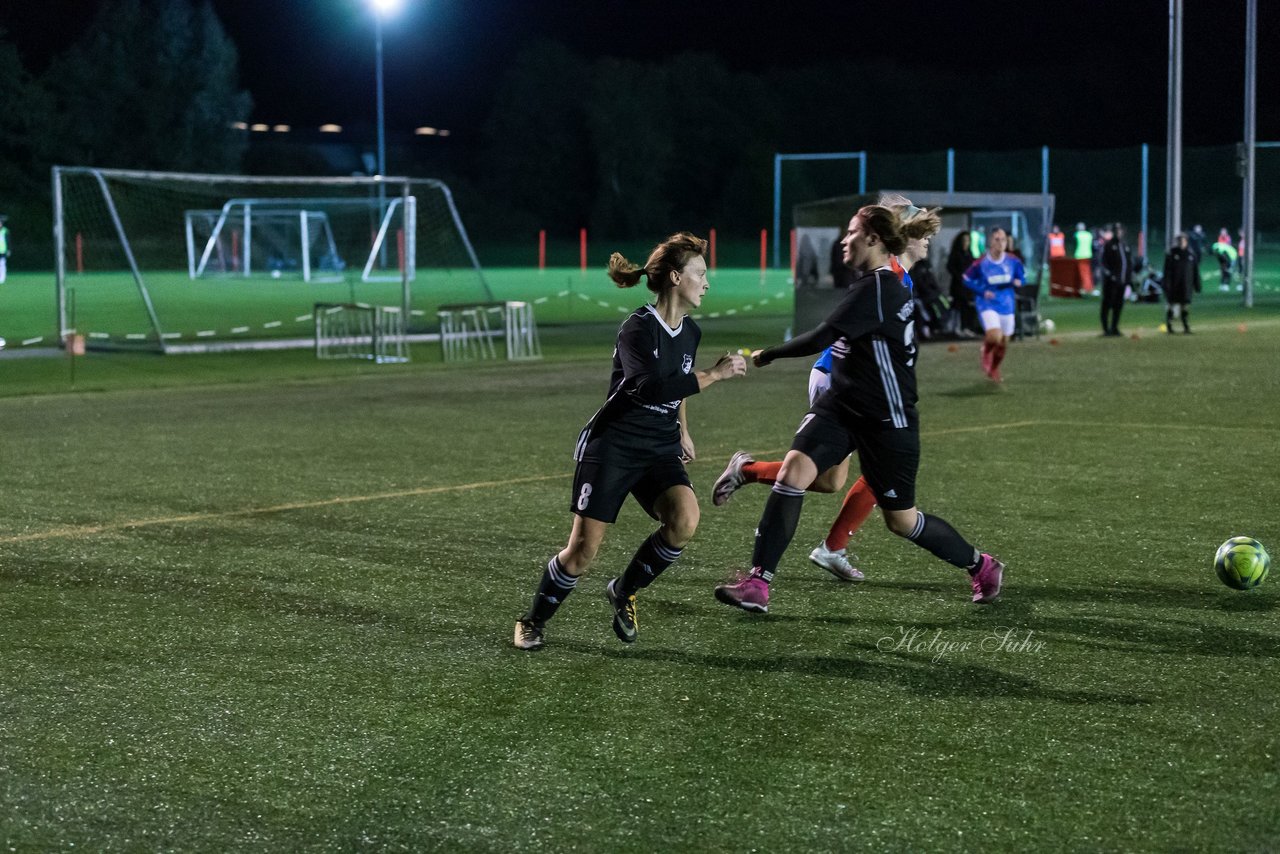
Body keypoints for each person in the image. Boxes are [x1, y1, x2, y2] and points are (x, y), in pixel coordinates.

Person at [712, 205, 1004, 615]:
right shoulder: (875, 284)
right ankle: (758, 584)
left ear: (874, 240)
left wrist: (769, 355)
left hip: (888, 419)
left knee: (901, 521)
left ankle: (982, 565)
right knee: (795, 472)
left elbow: (825, 335)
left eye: (852, 232)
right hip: (843, 407)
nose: (844, 240)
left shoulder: (881, 288)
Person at [512, 232, 747, 650]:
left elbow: (676, 387)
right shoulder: (637, 329)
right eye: (701, 273)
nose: (707, 283)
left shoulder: (690, 333)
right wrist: (714, 375)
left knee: (684, 520)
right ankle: (533, 620)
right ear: (676, 277)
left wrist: (682, 429)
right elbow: (647, 388)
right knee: (582, 551)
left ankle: (623, 590)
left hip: (658, 445)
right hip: (614, 445)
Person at [962, 226, 1024, 382]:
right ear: (991, 241)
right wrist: (982, 292)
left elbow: (1022, 278)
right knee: (995, 336)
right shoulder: (981, 262)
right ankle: (986, 351)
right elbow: (966, 279)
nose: (1001, 243)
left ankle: (994, 369)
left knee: (1003, 342)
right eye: (997, 239)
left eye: (1003, 239)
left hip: (1007, 303)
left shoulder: (1013, 261)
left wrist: (1019, 281)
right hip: (987, 303)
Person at [1162, 232, 1200, 334]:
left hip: (1186, 285)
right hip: (1174, 285)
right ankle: (1169, 326)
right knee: (1171, 304)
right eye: (1179, 241)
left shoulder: (1191, 255)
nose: (1181, 243)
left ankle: (1186, 326)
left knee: (1185, 305)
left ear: (1186, 242)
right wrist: (1166, 284)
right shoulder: (1171, 254)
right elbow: (1166, 271)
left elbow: (1195, 271)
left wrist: (1197, 285)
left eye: (1183, 241)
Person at [1100, 222, 1133, 336]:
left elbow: (1129, 264)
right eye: (1116, 230)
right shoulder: (1109, 245)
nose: (1118, 232)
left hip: (1122, 282)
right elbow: (1104, 263)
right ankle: (1106, 329)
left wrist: (1129, 281)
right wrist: (1111, 275)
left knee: (1118, 305)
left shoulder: (1125, 246)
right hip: (1111, 282)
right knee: (1107, 304)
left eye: (1119, 230)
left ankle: (1114, 327)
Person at [946, 231, 978, 337]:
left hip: (968, 287)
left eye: (968, 240)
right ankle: (957, 328)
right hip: (958, 286)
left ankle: (966, 328)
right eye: (964, 240)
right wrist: (959, 276)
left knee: (967, 307)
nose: (966, 243)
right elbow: (950, 267)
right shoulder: (956, 254)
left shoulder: (969, 254)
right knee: (958, 306)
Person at [0, 215, 9, 285]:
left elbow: (9, 241)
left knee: (2, 264)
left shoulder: (5, 231)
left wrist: (9, 249)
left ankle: (2, 278)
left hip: (3, 250)